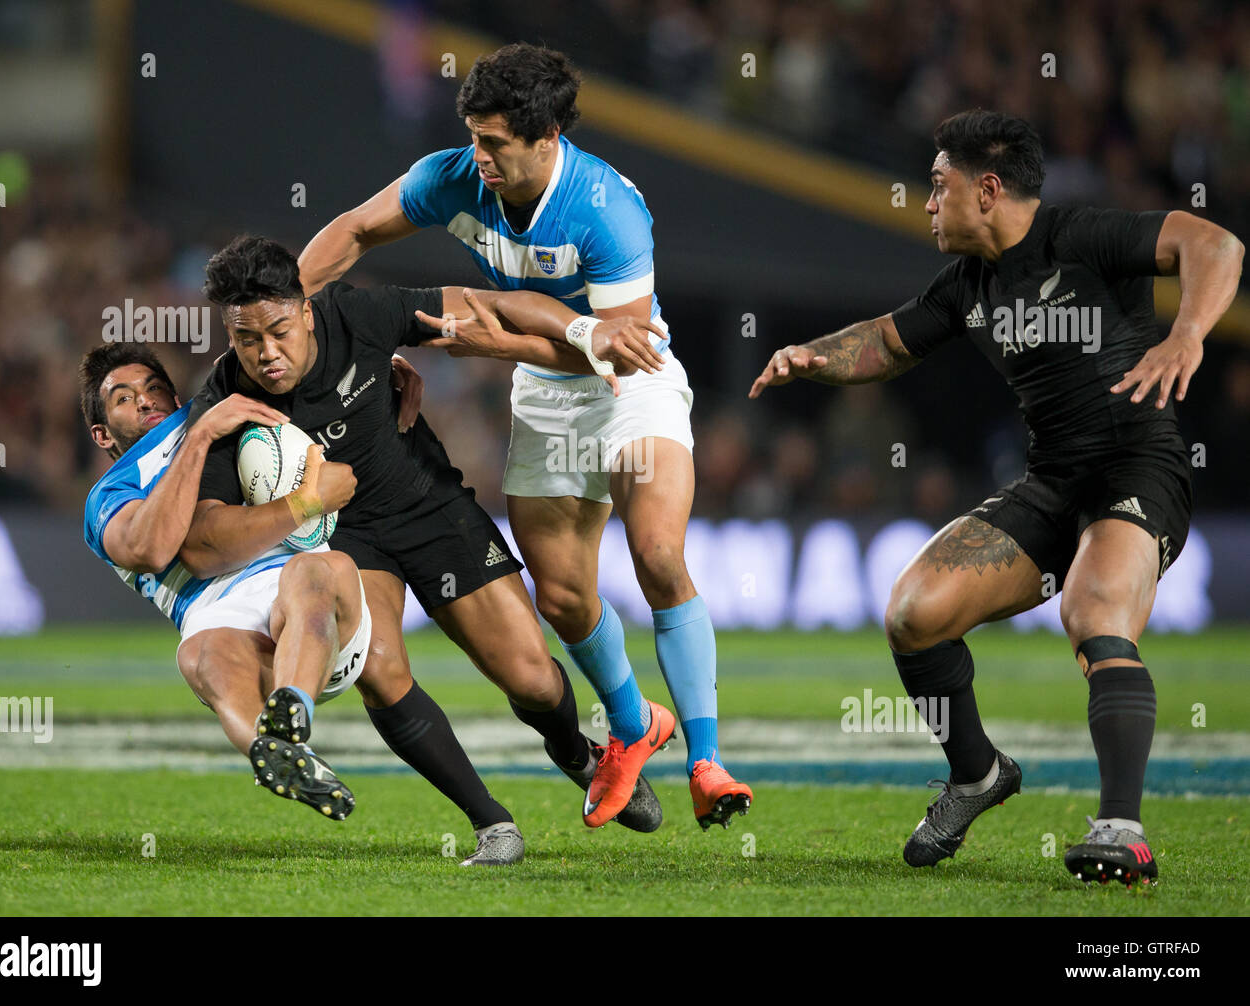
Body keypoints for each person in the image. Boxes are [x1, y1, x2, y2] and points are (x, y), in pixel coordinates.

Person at [749, 109, 1243, 885]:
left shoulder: (1081, 236)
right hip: (1053, 482)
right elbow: (885, 340)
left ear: (987, 189)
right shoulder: (968, 285)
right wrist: (813, 355)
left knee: (1095, 613)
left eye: (938, 186)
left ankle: (1123, 829)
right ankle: (977, 772)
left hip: (1138, 468)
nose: (927, 203)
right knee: (914, 613)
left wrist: (1187, 335)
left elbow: (1215, 243)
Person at [299, 43, 753, 830]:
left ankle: (708, 760)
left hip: (629, 386)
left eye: (495, 143)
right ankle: (633, 725)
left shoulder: (607, 210)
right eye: (473, 137)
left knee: (657, 554)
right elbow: (356, 230)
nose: (478, 158)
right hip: (547, 397)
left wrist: (494, 344)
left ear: (547, 139)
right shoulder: (453, 177)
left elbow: (618, 343)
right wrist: (290, 308)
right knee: (564, 596)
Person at [183, 235, 666, 865]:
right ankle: (491, 823)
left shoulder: (356, 315)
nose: (267, 354)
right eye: (247, 340)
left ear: (305, 309)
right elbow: (204, 536)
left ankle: (577, 753)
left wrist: (586, 333)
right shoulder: (224, 405)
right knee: (379, 673)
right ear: (229, 333)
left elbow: (487, 303)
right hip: (344, 541)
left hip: (427, 506)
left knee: (533, 679)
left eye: (279, 331)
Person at [80, 343, 367, 821]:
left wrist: (376, 363)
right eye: (124, 398)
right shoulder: (109, 496)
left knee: (314, 571)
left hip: (307, 596)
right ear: (101, 433)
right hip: (216, 616)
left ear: (176, 398)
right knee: (198, 654)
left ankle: (292, 710)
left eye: (154, 389)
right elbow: (151, 548)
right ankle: (279, 754)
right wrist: (198, 438)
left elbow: (279, 337)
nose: (146, 400)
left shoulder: (216, 404)